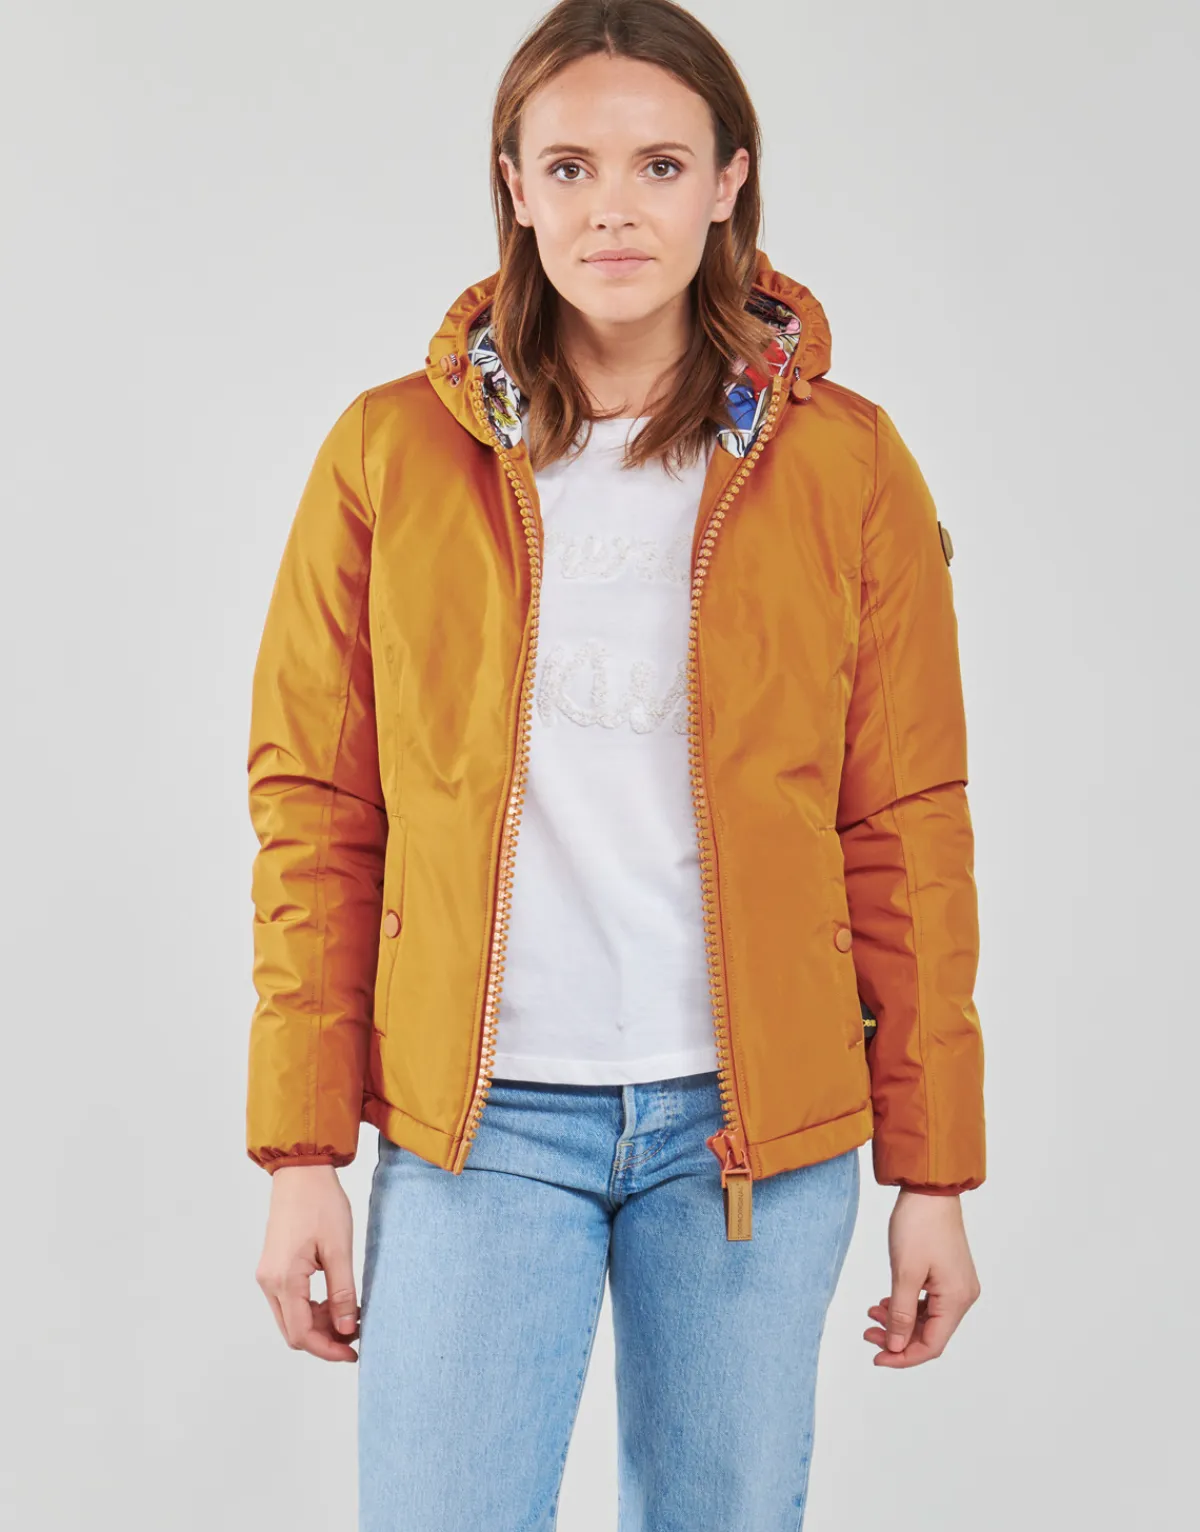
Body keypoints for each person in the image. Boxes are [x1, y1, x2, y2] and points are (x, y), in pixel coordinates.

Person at [245, 1, 985, 1525]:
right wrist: (299, 1151)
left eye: (659, 164)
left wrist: (936, 1174)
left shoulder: (847, 467)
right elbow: (317, 810)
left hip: (751, 1137)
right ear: (513, 186)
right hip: (481, 1123)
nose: (614, 209)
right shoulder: (390, 455)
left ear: (728, 182)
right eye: (570, 167)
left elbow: (905, 823)